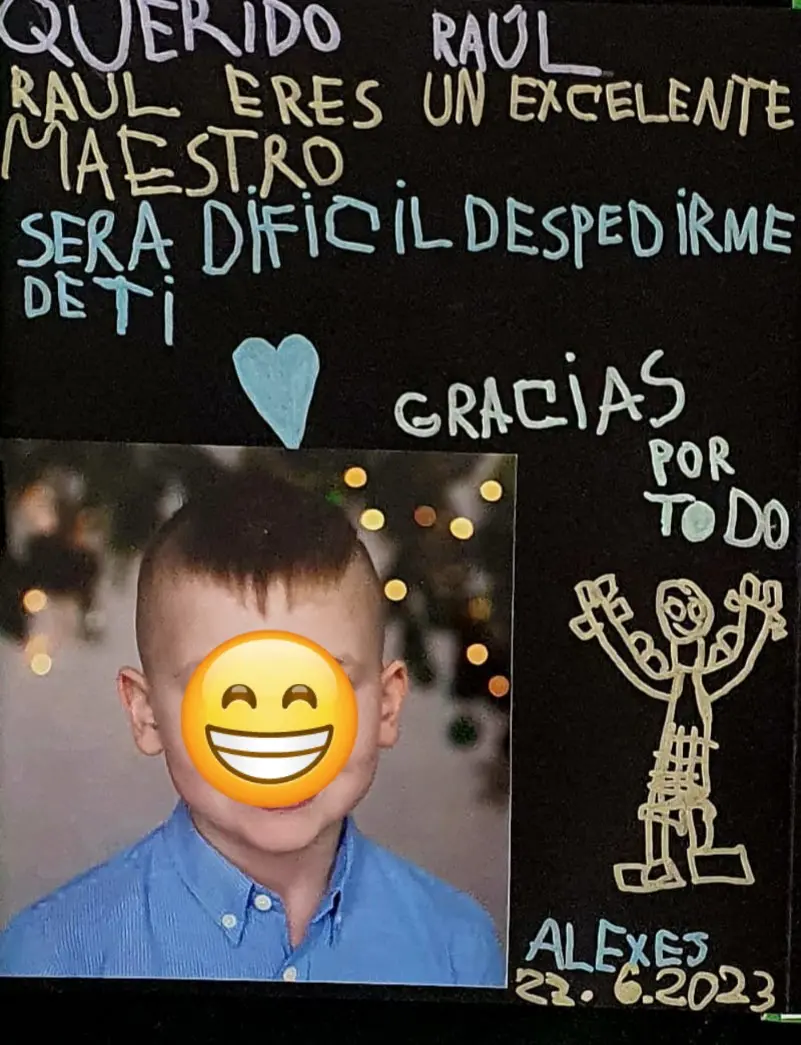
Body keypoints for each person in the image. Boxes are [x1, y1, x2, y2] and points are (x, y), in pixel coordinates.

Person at [0, 469, 505, 986]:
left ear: (386, 708)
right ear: (146, 714)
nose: (274, 732)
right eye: (230, 694)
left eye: (315, 688)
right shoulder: (50, 954)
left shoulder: (458, 948)